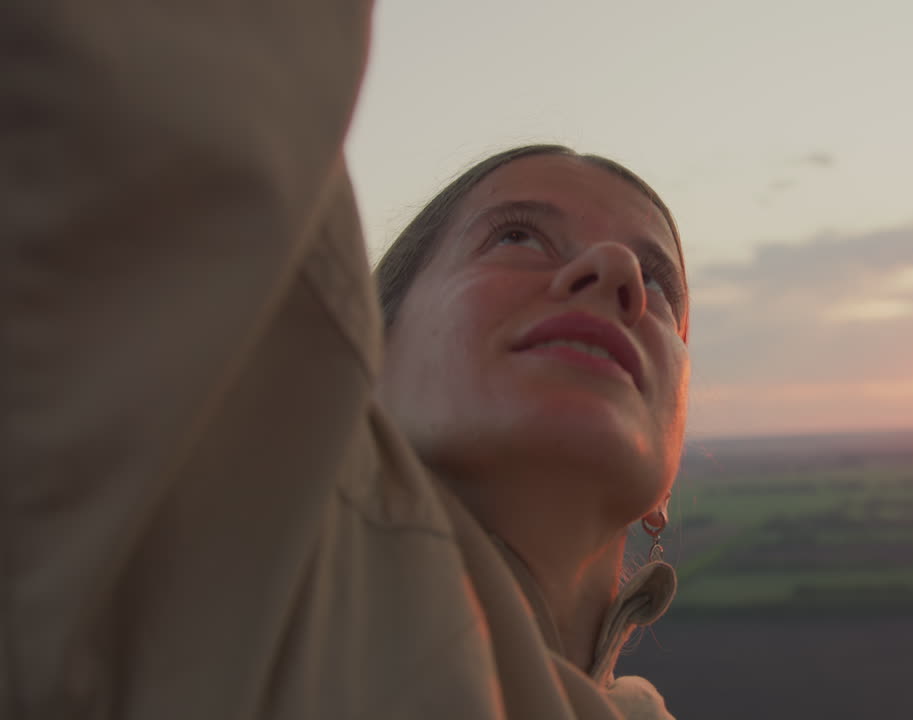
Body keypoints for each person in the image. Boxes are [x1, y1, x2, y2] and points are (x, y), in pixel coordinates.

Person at [2, 2, 686, 719]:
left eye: (661, 283)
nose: (616, 272)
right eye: (518, 237)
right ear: (372, 345)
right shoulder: (197, 552)